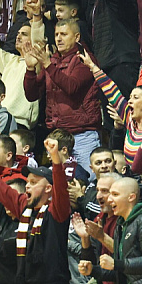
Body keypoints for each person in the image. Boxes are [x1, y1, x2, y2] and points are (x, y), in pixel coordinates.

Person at [0, 133, 72, 284]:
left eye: (34, 182)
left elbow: (61, 188)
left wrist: (56, 158)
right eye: (27, 182)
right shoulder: (23, 208)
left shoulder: (56, 211)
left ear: (48, 188)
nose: (27, 186)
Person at [24, 18, 102, 176]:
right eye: (57, 34)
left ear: (77, 37)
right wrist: (30, 69)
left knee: (89, 181)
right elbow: (32, 95)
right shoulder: (52, 61)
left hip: (82, 135)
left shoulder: (85, 60)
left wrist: (47, 65)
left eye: (64, 34)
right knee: (60, 186)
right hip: (58, 137)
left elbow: (71, 87)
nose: (59, 38)